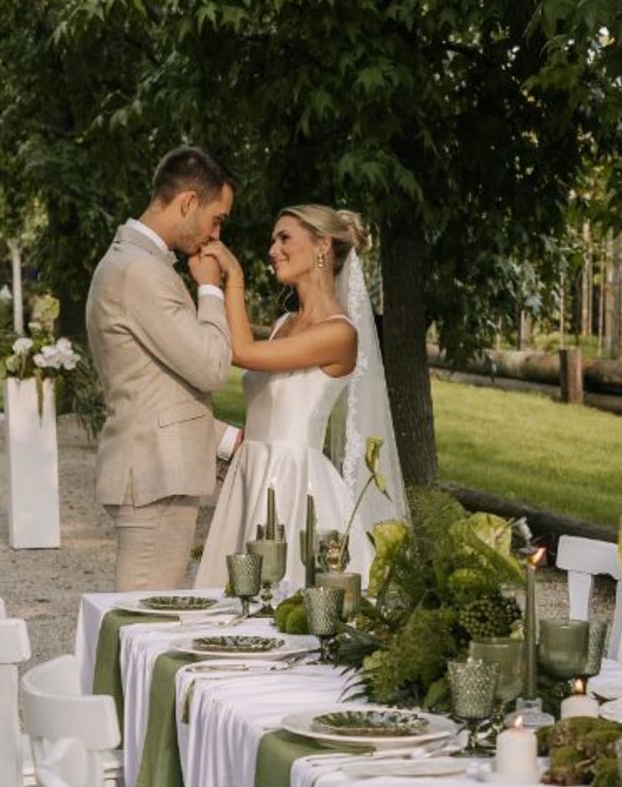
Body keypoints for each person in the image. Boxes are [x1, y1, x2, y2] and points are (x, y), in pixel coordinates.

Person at [193, 203, 404, 594]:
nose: (273, 249)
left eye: (284, 238)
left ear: (322, 245)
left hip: (292, 483)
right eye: (273, 240)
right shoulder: (283, 324)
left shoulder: (340, 334)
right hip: (249, 473)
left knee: (283, 592)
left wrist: (233, 278)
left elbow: (243, 352)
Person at [87, 145, 237, 589]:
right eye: (217, 219)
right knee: (143, 619)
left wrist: (227, 440)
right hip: (155, 476)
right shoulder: (140, 270)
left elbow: (154, 387)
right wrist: (211, 288)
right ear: (188, 202)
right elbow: (211, 366)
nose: (215, 235)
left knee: (149, 617)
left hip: (158, 471)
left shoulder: (137, 263)